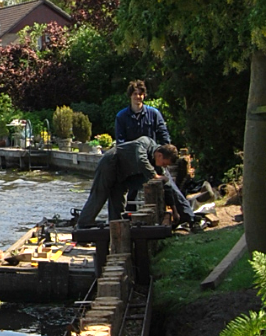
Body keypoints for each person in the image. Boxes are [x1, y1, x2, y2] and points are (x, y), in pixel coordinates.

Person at [114, 80, 196, 227]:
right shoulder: (121, 116)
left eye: (140, 94)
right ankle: (128, 221)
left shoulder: (154, 114)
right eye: (135, 94)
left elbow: (164, 137)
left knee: (170, 186)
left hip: (154, 158)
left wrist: (164, 155)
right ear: (130, 96)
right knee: (130, 191)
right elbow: (120, 142)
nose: (138, 97)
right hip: (133, 162)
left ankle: (189, 218)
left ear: (144, 96)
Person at [76, 137, 179, 229]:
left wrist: (174, 210)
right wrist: (154, 176)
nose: (164, 167)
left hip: (123, 176)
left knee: (118, 202)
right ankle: (83, 224)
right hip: (111, 162)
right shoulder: (145, 142)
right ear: (160, 155)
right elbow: (141, 159)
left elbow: (167, 186)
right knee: (100, 194)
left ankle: (116, 228)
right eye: (164, 164)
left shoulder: (158, 165)